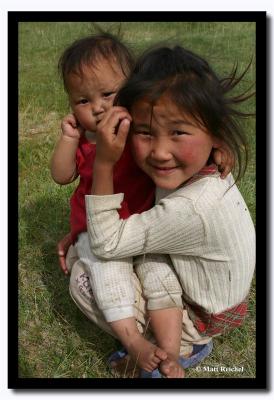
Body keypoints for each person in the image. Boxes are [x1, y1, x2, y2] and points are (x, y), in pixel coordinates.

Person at [51, 34, 234, 378]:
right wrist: (69, 140)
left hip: (144, 227)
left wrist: (217, 148)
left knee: (161, 277)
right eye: (82, 100)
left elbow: (179, 142)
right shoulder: (89, 141)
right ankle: (135, 344)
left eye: (108, 94)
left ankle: (172, 354)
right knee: (107, 278)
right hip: (98, 234)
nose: (98, 107)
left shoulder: (142, 130)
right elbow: (62, 176)